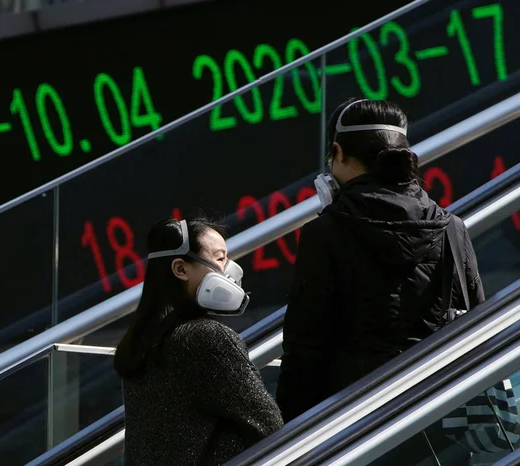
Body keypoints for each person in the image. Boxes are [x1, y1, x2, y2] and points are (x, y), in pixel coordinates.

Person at [276, 98, 484, 425]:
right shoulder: (451, 228)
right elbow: (476, 323)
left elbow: (306, 349)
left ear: (338, 151)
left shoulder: (325, 232)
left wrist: (288, 430)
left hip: (355, 422)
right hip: (441, 413)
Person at [115, 217, 283, 465]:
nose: (229, 270)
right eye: (219, 258)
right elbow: (269, 426)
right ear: (180, 269)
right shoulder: (207, 339)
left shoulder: (143, 343)